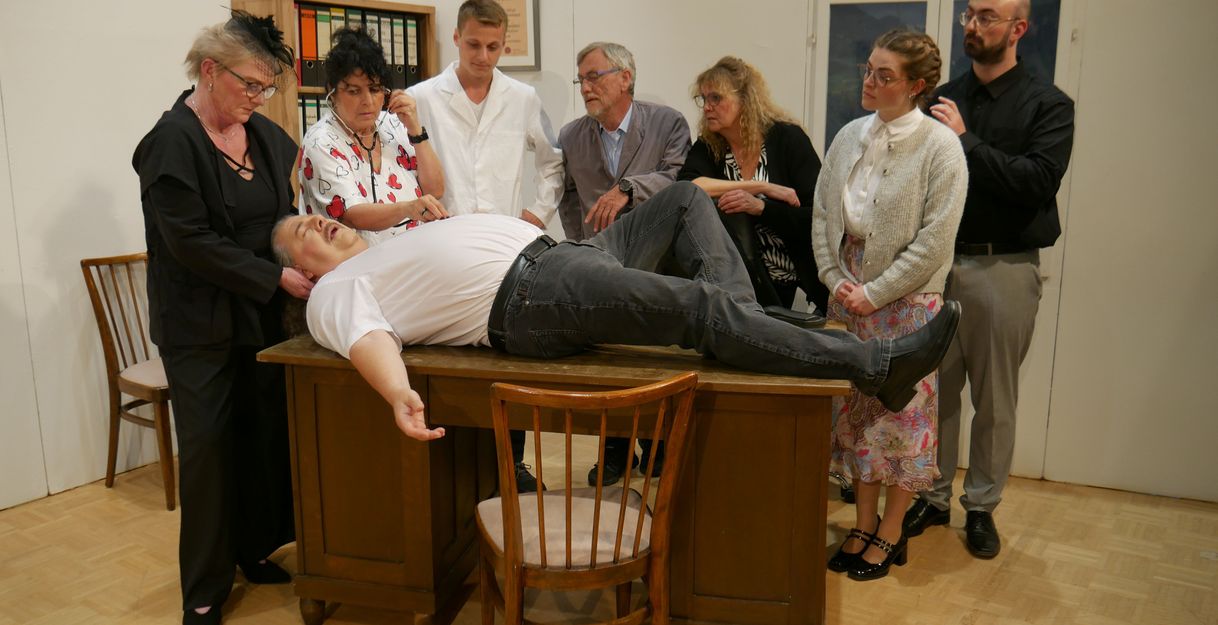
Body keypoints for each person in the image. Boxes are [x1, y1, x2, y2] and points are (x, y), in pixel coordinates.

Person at [272, 182, 961, 448]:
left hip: (564, 256)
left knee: (685, 200)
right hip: (533, 297)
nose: (317, 223)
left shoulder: (386, 244)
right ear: (302, 272)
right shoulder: (334, 291)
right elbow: (366, 338)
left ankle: (748, 322)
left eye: (315, 215)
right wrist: (398, 394)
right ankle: (877, 365)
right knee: (698, 306)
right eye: (303, 230)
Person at [132, 12, 311, 625]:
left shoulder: (262, 135)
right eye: (250, 84)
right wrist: (275, 276)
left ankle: (252, 549)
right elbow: (190, 241)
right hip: (199, 323)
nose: (259, 97)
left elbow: (287, 211)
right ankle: (205, 588)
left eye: (267, 86)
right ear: (209, 70)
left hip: (259, 315)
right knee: (208, 450)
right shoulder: (171, 142)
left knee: (260, 436)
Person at [901, 0, 1075, 560]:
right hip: (936, 265)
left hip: (1004, 266)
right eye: (969, 15)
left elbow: (1036, 182)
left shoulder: (1048, 104)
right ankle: (931, 496)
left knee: (995, 398)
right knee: (935, 391)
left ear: (1018, 28)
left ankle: (981, 507)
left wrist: (966, 141)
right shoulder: (942, 96)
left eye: (987, 17)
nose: (973, 26)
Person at [812, 30, 966, 581]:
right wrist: (835, 278)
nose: (870, 82)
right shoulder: (849, 135)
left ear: (916, 86)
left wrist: (874, 292)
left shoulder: (941, 146)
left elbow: (935, 242)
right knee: (855, 418)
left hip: (907, 303)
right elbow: (824, 215)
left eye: (885, 75)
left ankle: (892, 530)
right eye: (869, 70)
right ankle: (862, 522)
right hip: (848, 296)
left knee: (898, 421)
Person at [557, 41, 691, 485]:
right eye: (581, 79)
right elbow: (569, 197)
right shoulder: (572, 135)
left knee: (651, 358)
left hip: (659, 262)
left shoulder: (667, 122)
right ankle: (614, 449)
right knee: (607, 361)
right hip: (602, 266)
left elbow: (679, 178)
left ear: (625, 77)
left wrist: (629, 188)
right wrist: (583, 247)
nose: (585, 87)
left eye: (594, 76)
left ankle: (655, 444)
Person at [678, 56, 829, 321]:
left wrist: (761, 207)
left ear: (745, 100)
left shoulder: (788, 139)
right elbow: (689, 187)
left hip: (798, 282)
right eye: (703, 99)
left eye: (716, 98)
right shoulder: (710, 146)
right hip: (742, 283)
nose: (707, 107)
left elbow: (817, 218)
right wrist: (762, 187)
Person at [406, 0, 562, 228]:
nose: (483, 57)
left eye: (492, 47)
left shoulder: (523, 98)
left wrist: (540, 212)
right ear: (457, 37)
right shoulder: (420, 98)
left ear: (504, 44)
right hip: (443, 232)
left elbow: (553, 161)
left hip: (504, 233)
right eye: (474, 45)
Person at [299, 27, 448, 245]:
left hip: (413, 252)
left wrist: (416, 130)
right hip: (357, 261)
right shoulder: (320, 141)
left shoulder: (394, 124)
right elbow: (353, 215)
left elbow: (436, 190)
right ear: (332, 91)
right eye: (354, 91)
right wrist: (408, 208)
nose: (367, 101)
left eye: (375, 89)